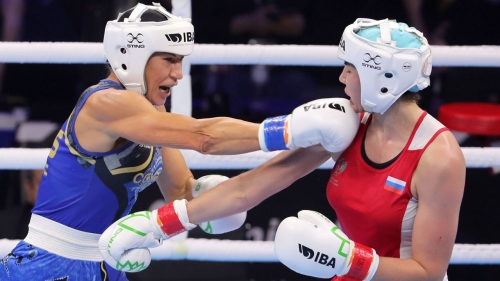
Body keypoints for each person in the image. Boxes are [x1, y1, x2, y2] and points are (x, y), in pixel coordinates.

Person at [0, 2, 359, 281]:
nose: (178, 73)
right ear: (133, 55)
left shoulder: (150, 116)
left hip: (104, 264)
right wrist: (290, 129)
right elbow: (204, 138)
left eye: (181, 61)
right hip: (48, 264)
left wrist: (215, 201)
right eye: (169, 60)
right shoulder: (106, 102)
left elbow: (183, 193)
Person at [101, 18, 465, 281]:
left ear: (381, 78)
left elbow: (428, 272)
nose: (341, 78)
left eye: (350, 69)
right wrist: (163, 222)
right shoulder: (351, 124)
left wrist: (351, 260)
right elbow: (255, 185)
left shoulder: (438, 156)